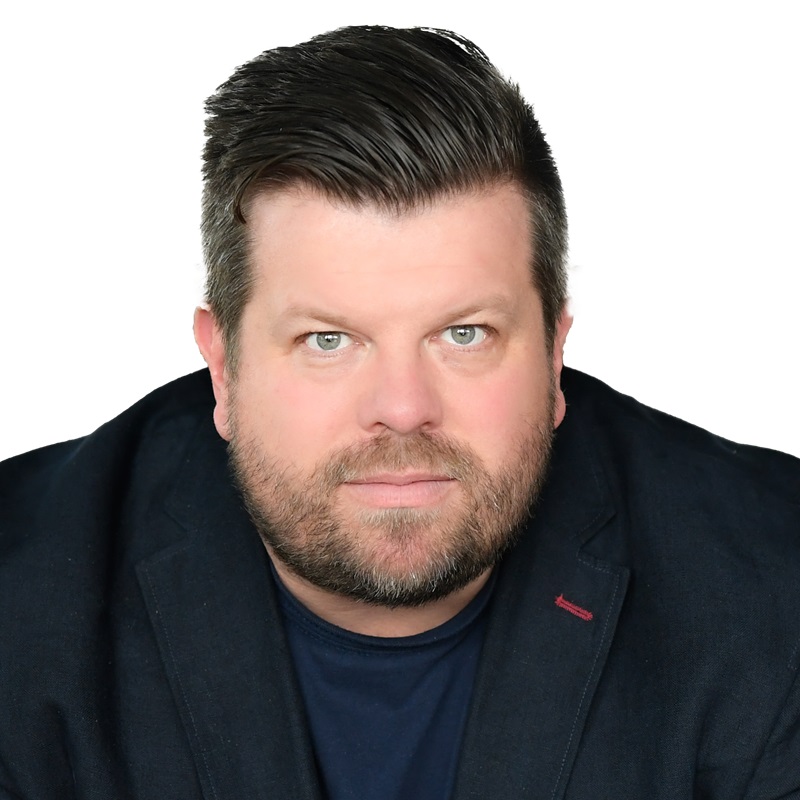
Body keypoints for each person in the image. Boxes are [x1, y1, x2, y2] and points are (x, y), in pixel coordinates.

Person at [1, 24, 798, 800]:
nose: (404, 409)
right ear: (224, 368)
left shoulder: (775, 584)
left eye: (464, 334)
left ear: (555, 354)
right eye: (327, 340)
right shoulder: (19, 601)